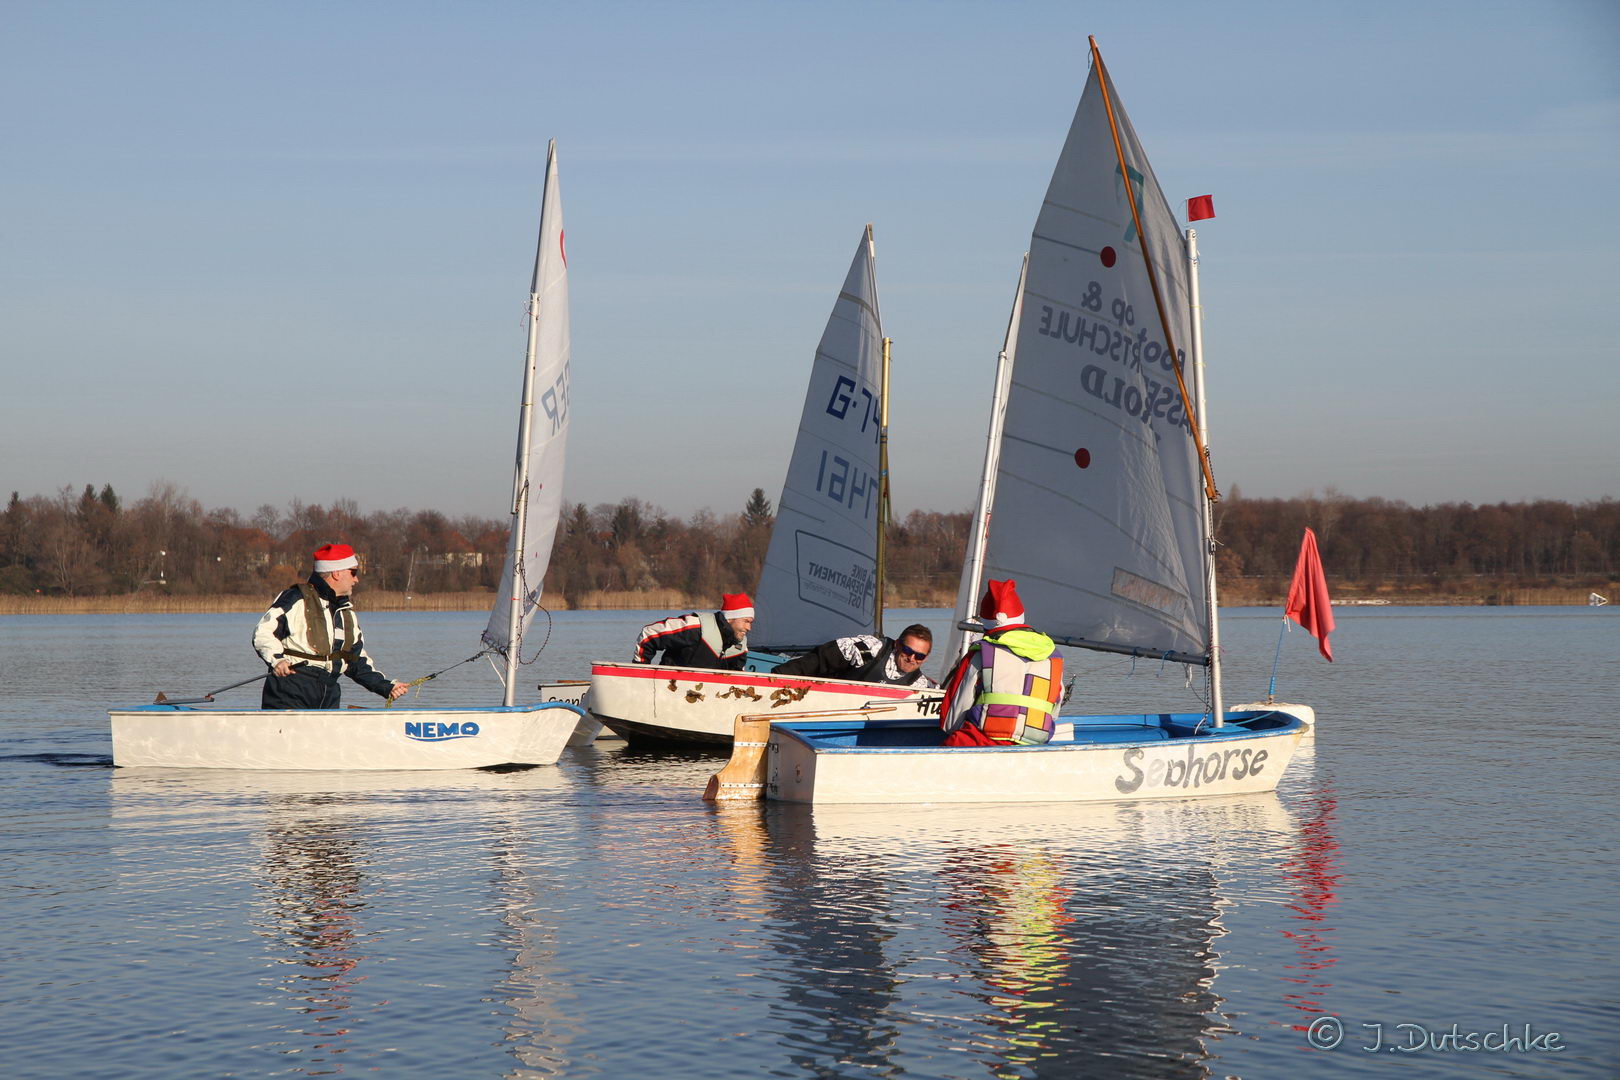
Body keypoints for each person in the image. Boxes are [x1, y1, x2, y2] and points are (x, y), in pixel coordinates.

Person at [253, 543, 409, 709]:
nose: (356, 579)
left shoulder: (346, 612)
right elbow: (263, 633)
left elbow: (356, 661)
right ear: (337, 573)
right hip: (291, 689)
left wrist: (386, 687)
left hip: (329, 692)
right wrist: (277, 661)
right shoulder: (294, 598)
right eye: (353, 573)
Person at [939, 579, 1063, 746]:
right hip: (1035, 745)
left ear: (985, 625)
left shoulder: (980, 654)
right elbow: (1053, 714)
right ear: (1021, 619)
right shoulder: (1053, 657)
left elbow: (951, 721)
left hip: (981, 743)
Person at [772, 624, 938, 687]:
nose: (911, 658)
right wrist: (775, 679)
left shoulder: (920, 685)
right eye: (908, 651)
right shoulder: (868, 649)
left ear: (926, 658)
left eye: (919, 656)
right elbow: (816, 661)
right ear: (897, 644)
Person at [633, 592, 755, 671]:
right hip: (668, 688)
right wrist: (641, 673)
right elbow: (649, 634)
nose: (749, 628)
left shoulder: (741, 646)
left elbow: (736, 679)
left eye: (750, 622)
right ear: (730, 618)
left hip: (704, 696)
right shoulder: (696, 626)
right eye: (746, 621)